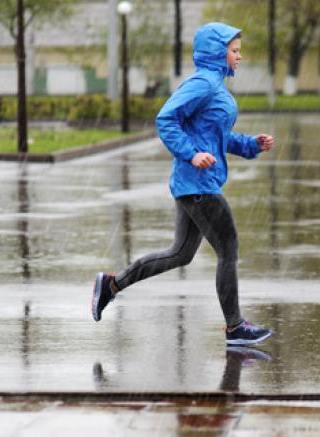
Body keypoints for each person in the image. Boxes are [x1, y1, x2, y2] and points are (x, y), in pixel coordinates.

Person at [91, 22, 275, 346]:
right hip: (199, 185)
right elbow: (166, 119)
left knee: (180, 254)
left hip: (196, 184)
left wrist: (250, 145)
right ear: (217, 52)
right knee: (228, 247)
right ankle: (235, 327)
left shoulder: (215, 86)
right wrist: (191, 155)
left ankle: (111, 285)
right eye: (234, 51)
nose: (240, 56)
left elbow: (216, 136)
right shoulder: (203, 84)